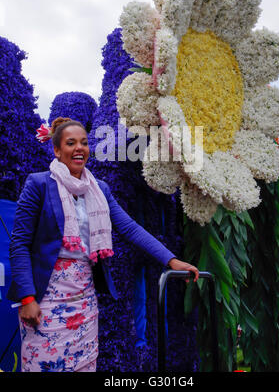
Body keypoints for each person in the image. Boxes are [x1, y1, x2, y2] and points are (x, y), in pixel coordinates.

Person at [7, 117, 199, 372]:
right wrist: (27, 297)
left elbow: (130, 228)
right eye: (71, 143)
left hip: (84, 299)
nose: (79, 148)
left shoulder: (99, 189)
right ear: (56, 150)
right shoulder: (39, 184)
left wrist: (171, 260)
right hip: (45, 300)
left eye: (84, 143)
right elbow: (19, 244)